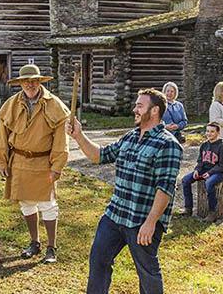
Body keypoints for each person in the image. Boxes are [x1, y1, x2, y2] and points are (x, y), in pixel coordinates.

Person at [66, 88, 183, 294]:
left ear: (154, 111)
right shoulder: (130, 137)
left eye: (140, 106)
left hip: (142, 221)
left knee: (147, 274)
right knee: (99, 260)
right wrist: (79, 136)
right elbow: (99, 156)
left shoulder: (168, 144)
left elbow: (165, 188)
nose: (134, 110)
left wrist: (151, 222)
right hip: (115, 214)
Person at [0, 64, 70, 263]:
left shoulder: (54, 105)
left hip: (43, 162)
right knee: (26, 203)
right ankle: (34, 243)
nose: (30, 84)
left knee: (48, 204)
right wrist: (1, 160)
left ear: (40, 81)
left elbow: (61, 141)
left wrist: (56, 167)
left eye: (34, 80)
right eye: (26, 81)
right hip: (18, 161)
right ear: (20, 83)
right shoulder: (10, 105)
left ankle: (51, 247)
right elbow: (2, 137)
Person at [181, 122, 223, 221]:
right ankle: (188, 208)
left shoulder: (222, 146)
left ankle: (212, 212)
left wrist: (210, 173)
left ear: (218, 133)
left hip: (218, 173)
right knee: (185, 180)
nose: (209, 133)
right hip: (204, 170)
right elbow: (200, 161)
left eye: (212, 131)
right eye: (207, 131)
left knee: (209, 183)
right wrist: (197, 170)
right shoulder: (204, 145)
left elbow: (222, 166)